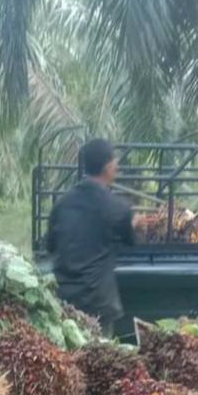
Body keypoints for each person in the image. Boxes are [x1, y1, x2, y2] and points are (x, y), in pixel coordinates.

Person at [46, 138, 134, 337]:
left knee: (69, 353)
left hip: (65, 301)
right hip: (98, 303)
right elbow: (130, 241)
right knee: (101, 353)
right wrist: (133, 224)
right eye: (115, 161)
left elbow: (51, 246)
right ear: (108, 166)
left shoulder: (62, 204)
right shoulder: (118, 207)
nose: (117, 166)